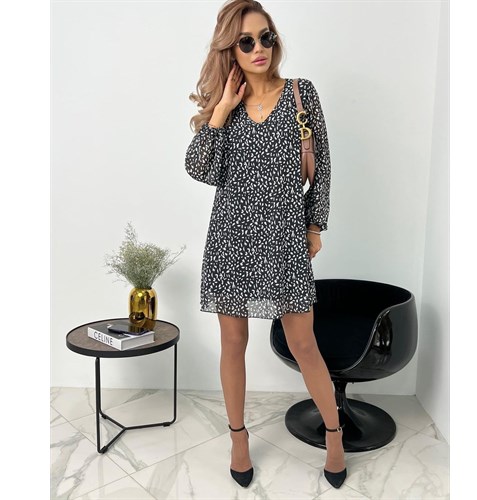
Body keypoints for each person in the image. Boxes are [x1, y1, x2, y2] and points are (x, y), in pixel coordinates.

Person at [185, 0, 346, 490]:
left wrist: (314, 227)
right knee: (233, 343)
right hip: (231, 239)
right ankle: (238, 439)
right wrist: (220, 111)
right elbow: (199, 169)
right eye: (246, 41)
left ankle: (334, 435)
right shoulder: (226, 107)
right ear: (230, 50)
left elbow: (323, 167)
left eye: (266, 37)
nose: (259, 48)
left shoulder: (300, 93)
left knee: (304, 343)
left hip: (285, 238)